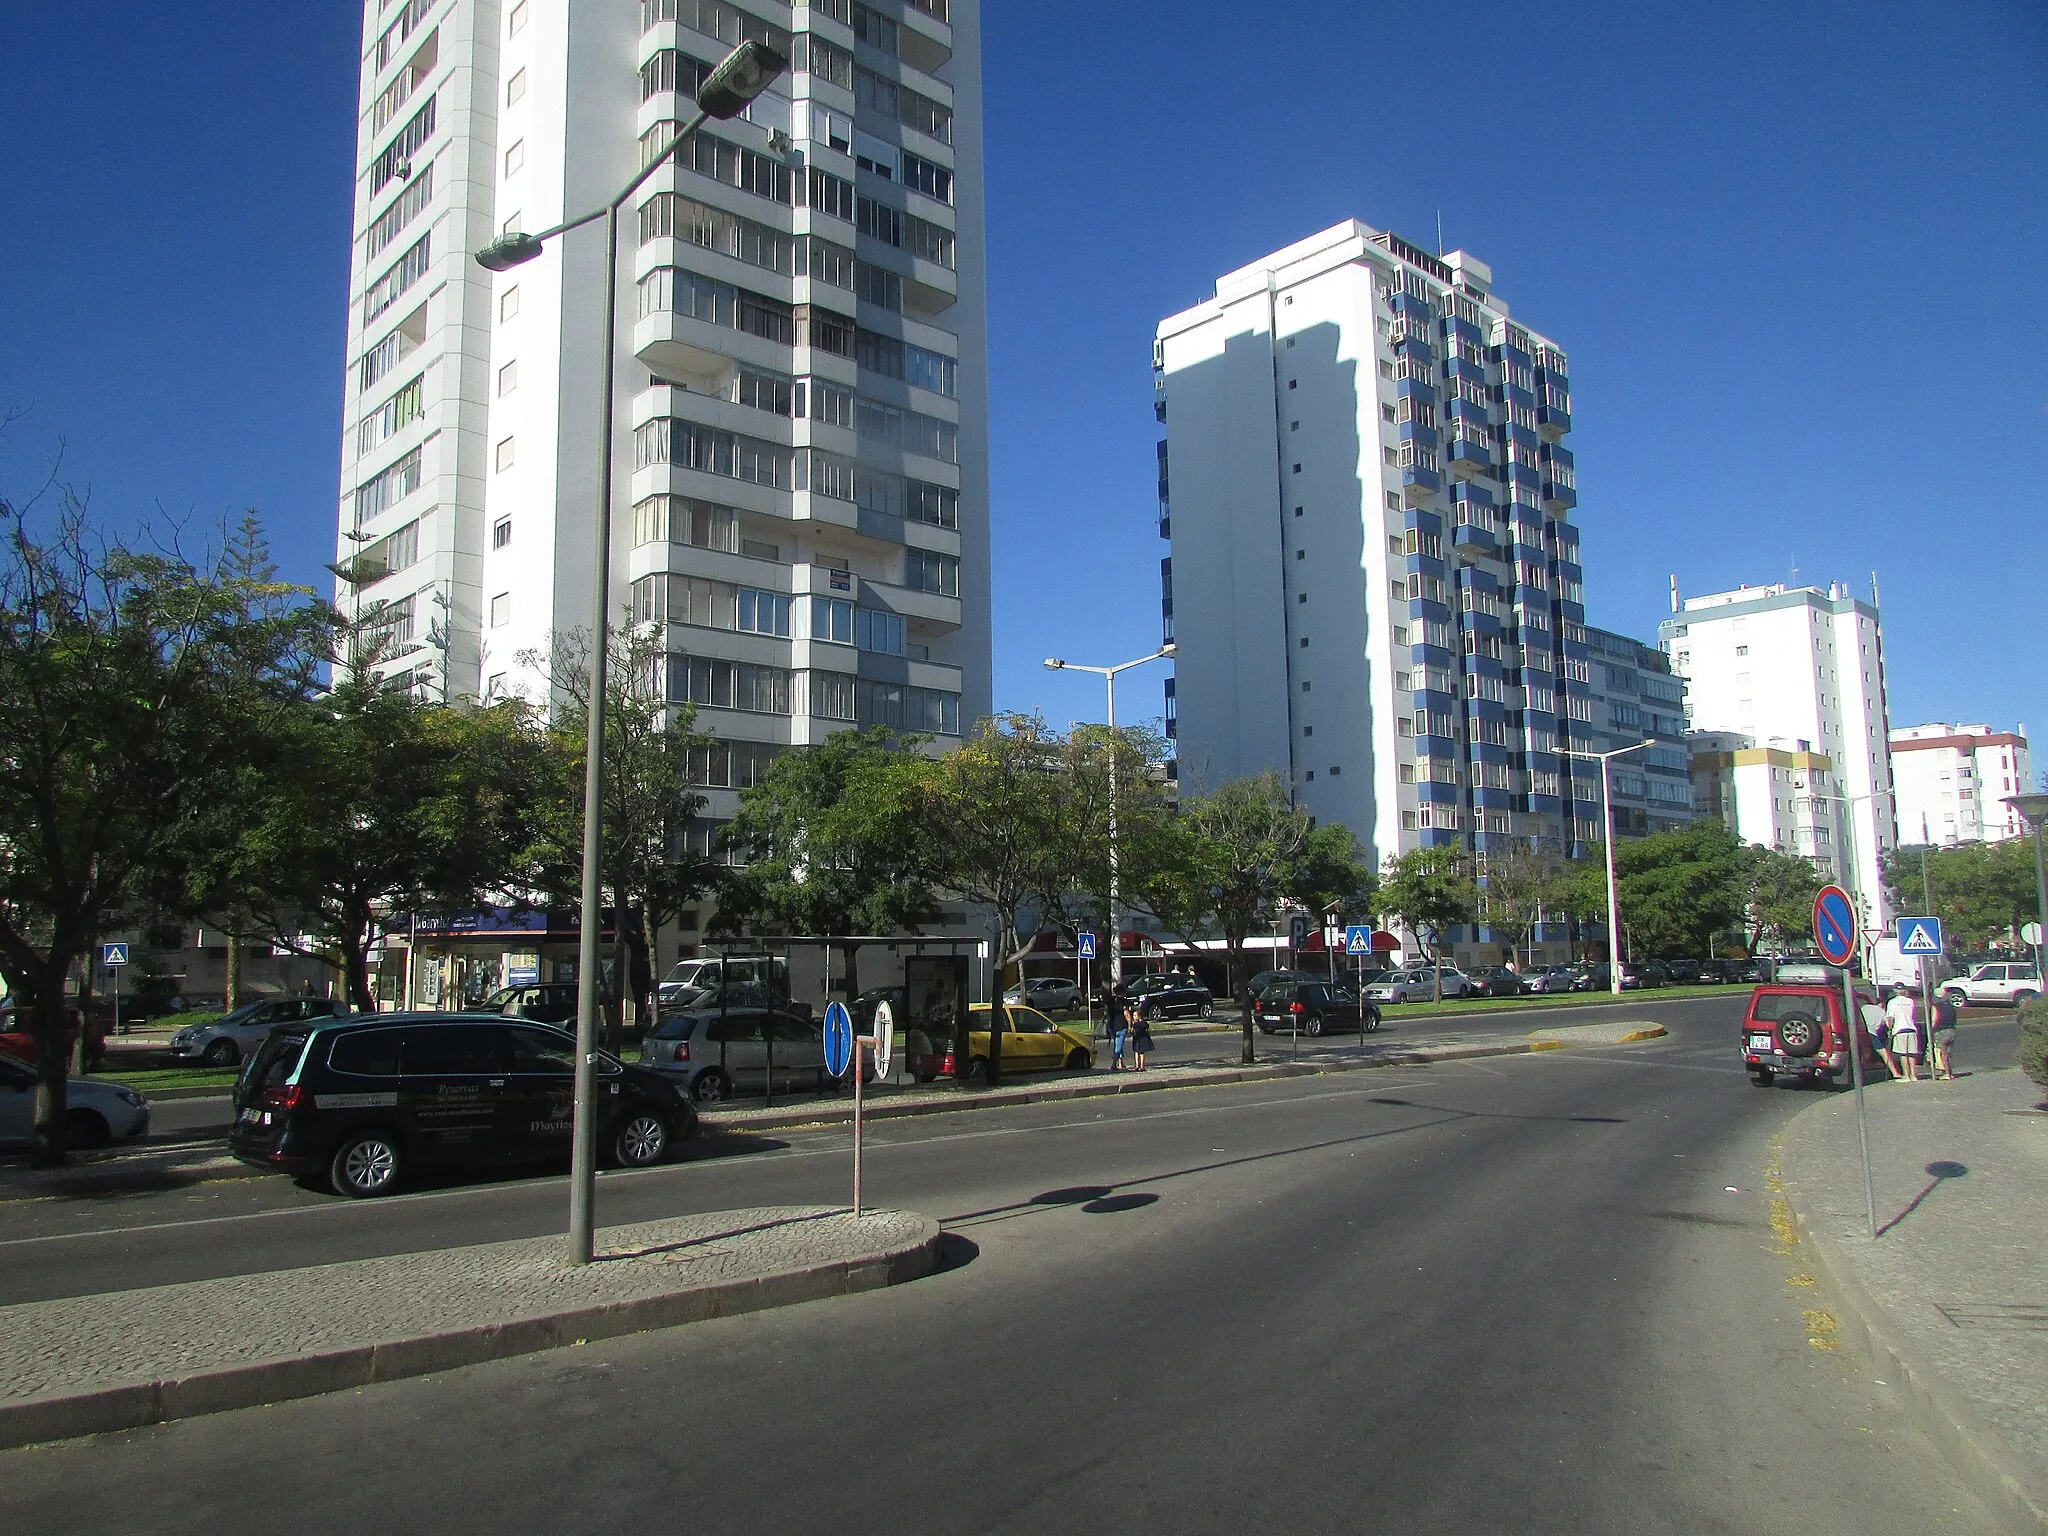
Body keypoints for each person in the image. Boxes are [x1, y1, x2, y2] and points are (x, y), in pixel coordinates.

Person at [1885, 983, 1921, 1083]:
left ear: (1894, 991)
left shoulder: (1892, 1002)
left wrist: (1890, 1029)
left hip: (1900, 1029)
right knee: (1912, 1053)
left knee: (1903, 1054)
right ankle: (1913, 1075)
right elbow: (1913, 1015)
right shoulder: (1910, 1001)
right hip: (1911, 1028)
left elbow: (1890, 1018)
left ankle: (1906, 1075)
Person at [1929, 991, 1960, 1080]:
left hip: (1940, 1031)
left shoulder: (1936, 1007)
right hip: (1951, 1030)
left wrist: (1931, 1030)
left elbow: (1934, 1020)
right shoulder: (1951, 1007)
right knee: (1948, 1052)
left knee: (1941, 1052)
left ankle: (1946, 1072)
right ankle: (1950, 1072)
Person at [1105, 988, 1129, 1071]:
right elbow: (1126, 1014)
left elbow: (1105, 1011)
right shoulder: (1123, 1001)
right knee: (1118, 1045)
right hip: (1121, 1025)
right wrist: (1131, 1023)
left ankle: (1120, 1062)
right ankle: (1114, 1064)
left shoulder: (1110, 1000)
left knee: (1117, 1043)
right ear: (1122, 992)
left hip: (1111, 1025)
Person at [1130, 999, 1155, 1071]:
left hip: (1138, 1038)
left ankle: (1139, 1065)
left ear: (1139, 1016)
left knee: (1138, 1052)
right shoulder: (1144, 1023)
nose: (1133, 1017)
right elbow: (1147, 1028)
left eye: (1135, 1015)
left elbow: (1132, 1030)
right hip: (1141, 1038)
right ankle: (1141, 1066)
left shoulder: (1136, 1024)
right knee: (1140, 1053)